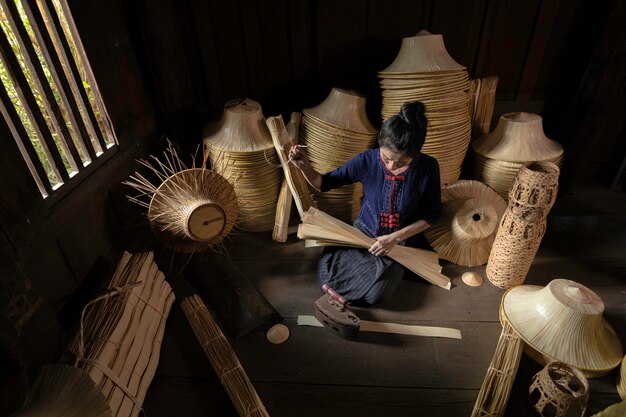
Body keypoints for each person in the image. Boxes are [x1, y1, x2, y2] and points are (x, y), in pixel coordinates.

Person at [289, 101, 441, 305]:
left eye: (402, 162)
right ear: (380, 144)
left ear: (416, 155)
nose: (392, 165)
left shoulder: (428, 167)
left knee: (376, 295)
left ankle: (389, 270)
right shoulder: (367, 161)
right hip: (363, 233)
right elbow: (322, 183)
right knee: (327, 271)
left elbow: (432, 215)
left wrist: (394, 238)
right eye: (386, 158)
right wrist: (304, 166)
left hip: (400, 242)